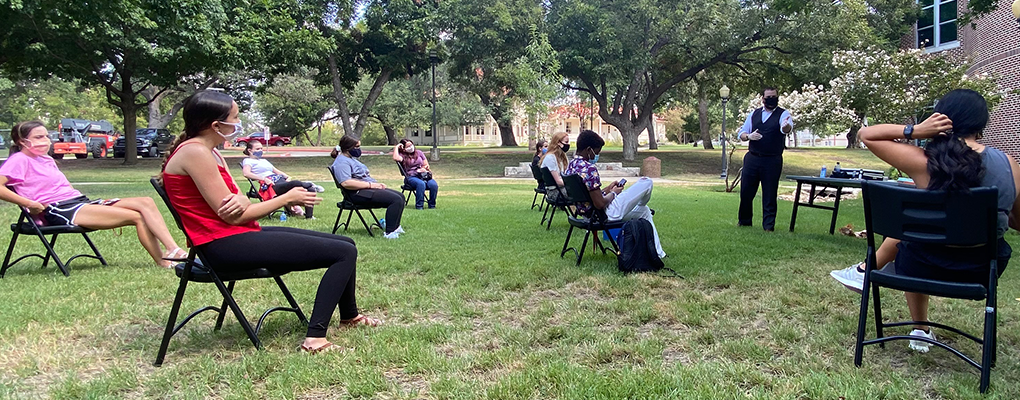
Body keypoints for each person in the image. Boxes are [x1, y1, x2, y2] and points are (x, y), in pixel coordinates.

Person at [161, 91, 379, 353]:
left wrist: (242, 201)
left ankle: (349, 317)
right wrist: (286, 198)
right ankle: (315, 340)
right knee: (343, 252)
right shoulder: (195, 152)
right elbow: (234, 213)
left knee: (346, 242)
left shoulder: (209, 152)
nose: (238, 122)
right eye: (235, 118)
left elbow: (237, 200)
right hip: (221, 246)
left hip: (235, 236)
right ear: (216, 125)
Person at [829, 89, 1020, 353]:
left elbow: (866, 134)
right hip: (979, 271)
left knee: (916, 234)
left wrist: (916, 130)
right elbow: (1018, 220)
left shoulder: (925, 162)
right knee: (921, 236)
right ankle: (914, 324)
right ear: (981, 123)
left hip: (920, 266)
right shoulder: (1009, 164)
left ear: (941, 118)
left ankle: (920, 327)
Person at [0, 120, 185, 269]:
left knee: (145, 201)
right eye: (38, 137)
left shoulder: (45, 159)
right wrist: (29, 203)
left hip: (77, 202)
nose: (45, 140)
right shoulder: (19, 160)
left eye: (46, 136)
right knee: (137, 217)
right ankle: (163, 261)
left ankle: (172, 249)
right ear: (22, 141)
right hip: (58, 209)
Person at [562, 130, 665, 258]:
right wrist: (614, 193)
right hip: (604, 214)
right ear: (589, 149)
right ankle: (639, 201)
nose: (596, 156)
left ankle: (658, 253)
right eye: (596, 152)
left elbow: (589, 194)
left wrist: (607, 189)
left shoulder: (571, 166)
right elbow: (599, 204)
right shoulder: (589, 169)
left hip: (587, 214)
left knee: (644, 211)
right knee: (647, 181)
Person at [736, 87, 794, 231]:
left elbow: (786, 128)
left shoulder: (783, 114)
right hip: (752, 158)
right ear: (762, 98)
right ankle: (744, 222)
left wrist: (786, 126)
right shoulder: (754, 114)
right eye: (768, 97)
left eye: (774, 96)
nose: (771, 99)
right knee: (746, 192)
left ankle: (768, 227)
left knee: (769, 193)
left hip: (772, 160)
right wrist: (748, 136)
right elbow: (742, 133)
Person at [331, 136, 406, 238]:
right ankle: (390, 232)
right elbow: (346, 183)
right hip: (356, 194)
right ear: (348, 148)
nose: (358, 149)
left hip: (366, 190)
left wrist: (377, 185)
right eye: (356, 147)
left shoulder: (351, 158)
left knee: (400, 196)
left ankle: (395, 227)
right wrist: (371, 185)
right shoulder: (341, 162)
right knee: (395, 200)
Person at [241, 140, 324, 218]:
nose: (260, 150)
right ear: (250, 150)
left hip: (279, 179)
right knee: (295, 183)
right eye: (257, 149)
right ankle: (309, 183)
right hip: (271, 184)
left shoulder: (264, 161)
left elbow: (276, 171)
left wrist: (286, 176)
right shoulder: (248, 161)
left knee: (310, 189)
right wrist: (263, 178)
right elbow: (246, 173)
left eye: (261, 148)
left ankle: (309, 216)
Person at [392, 139, 438, 210]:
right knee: (421, 184)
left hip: (423, 175)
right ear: (403, 148)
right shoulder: (402, 155)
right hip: (411, 177)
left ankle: (432, 205)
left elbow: (426, 164)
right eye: (408, 146)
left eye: (411, 145)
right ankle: (419, 206)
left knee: (433, 185)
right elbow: (395, 158)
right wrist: (397, 147)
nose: (411, 147)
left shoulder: (419, 153)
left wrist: (424, 168)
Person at [540, 132, 570, 202]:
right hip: (555, 192)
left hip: (561, 189)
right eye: (566, 142)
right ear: (558, 143)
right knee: (581, 192)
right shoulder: (550, 158)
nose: (568, 144)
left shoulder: (561, 157)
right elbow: (558, 181)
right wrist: (572, 183)